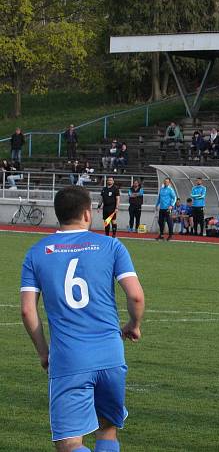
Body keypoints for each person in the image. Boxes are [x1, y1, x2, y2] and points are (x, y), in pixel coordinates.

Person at [20, 186, 145, 452]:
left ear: (58, 215)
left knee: (69, 442)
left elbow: (28, 311)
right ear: (88, 214)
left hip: (69, 358)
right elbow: (135, 296)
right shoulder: (111, 245)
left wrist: (44, 352)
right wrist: (133, 325)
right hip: (110, 355)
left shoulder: (36, 252)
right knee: (107, 430)